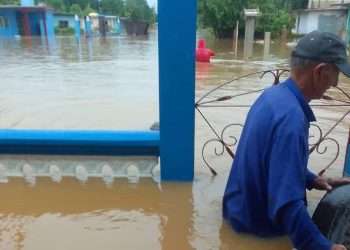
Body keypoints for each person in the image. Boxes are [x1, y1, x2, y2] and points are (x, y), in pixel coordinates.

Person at [223, 30, 350, 250]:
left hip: (237, 215)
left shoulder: (273, 97)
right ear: (320, 72)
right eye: (335, 73)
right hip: (259, 231)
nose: (336, 82)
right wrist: (323, 247)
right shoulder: (291, 119)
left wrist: (311, 179)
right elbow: (287, 205)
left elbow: (270, 161)